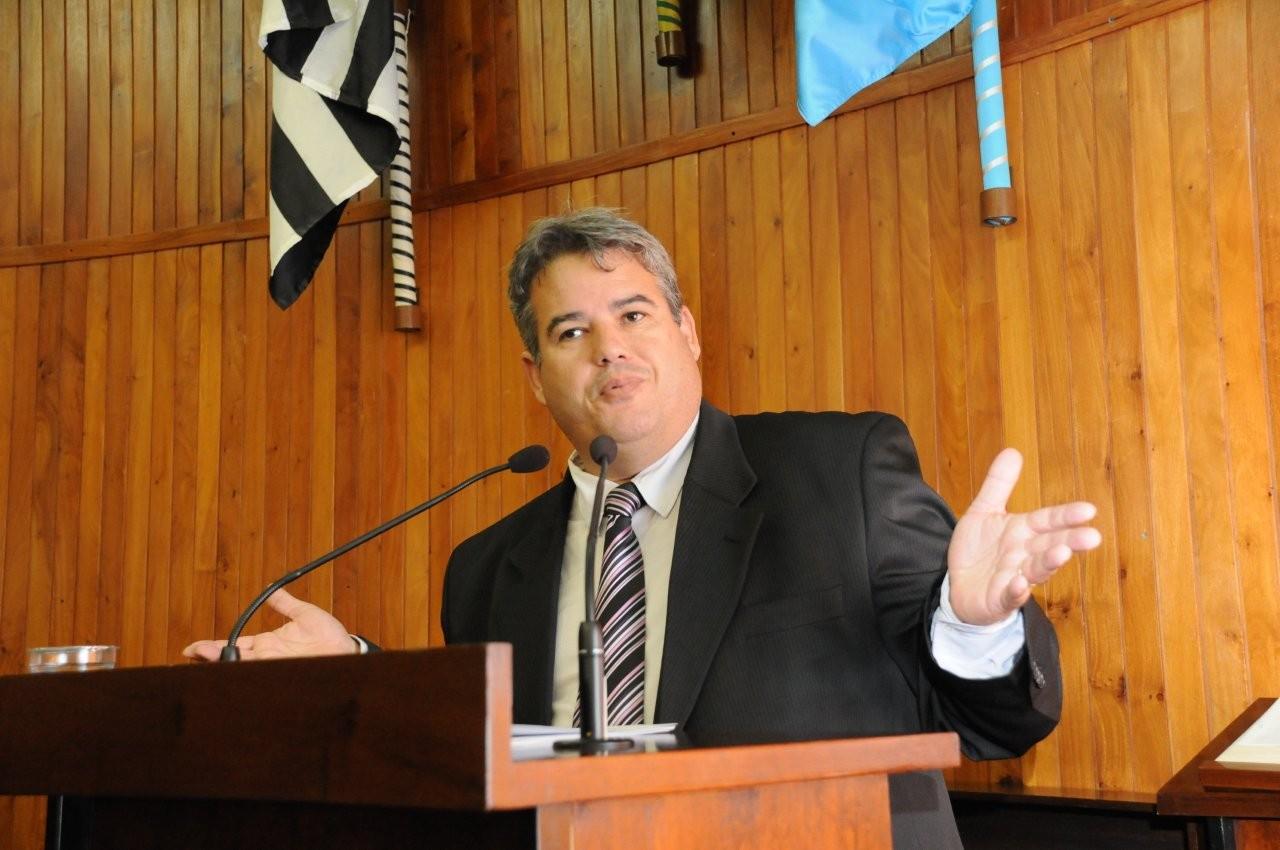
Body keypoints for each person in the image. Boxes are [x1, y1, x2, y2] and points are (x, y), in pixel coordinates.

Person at [186, 208, 1100, 849]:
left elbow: (995, 722)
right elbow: (486, 755)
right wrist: (355, 670)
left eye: (632, 314)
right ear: (535, 375)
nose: (609, 347)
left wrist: (972, 625)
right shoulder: (486, 568)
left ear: (687, 332)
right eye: (569, 332)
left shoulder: (838, 471)